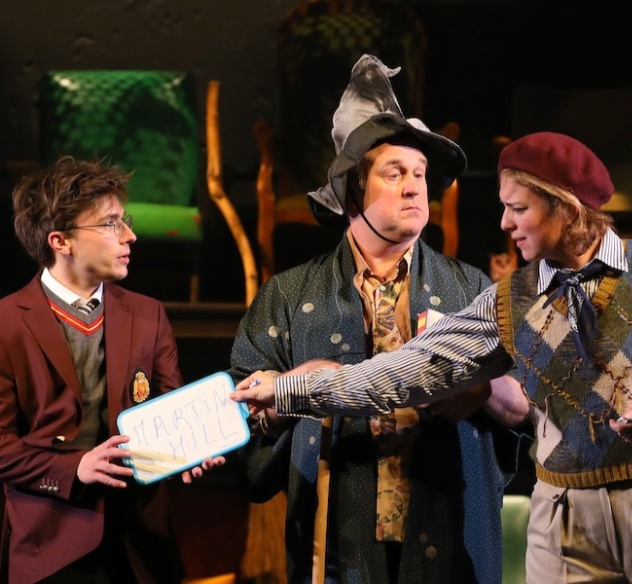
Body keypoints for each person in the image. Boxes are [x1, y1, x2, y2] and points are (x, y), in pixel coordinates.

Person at [233, 131, 632, 582]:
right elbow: (403, 373)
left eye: (518, 209)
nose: (504, 223)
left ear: (564, 208)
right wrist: (290, 389)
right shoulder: (509, 301)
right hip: (565, 525)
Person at [229, 54, 529, 584]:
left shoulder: (470, 289)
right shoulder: (290, 295)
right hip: (337, 541)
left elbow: (528, 406)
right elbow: (240, 420)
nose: (415, 187)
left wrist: (482, 387)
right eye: (395, 174)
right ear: (353, 191)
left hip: (447, 532)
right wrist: (288, 392)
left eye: (420, 175)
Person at [0, 156, 223, 584]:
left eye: (125, 220)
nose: (129, 235)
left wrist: (186, 450)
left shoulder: (149, 314)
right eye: (109, 224)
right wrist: (75, 468)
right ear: (61, 241)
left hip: (140, 545)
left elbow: (167, 409)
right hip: (52, 548)